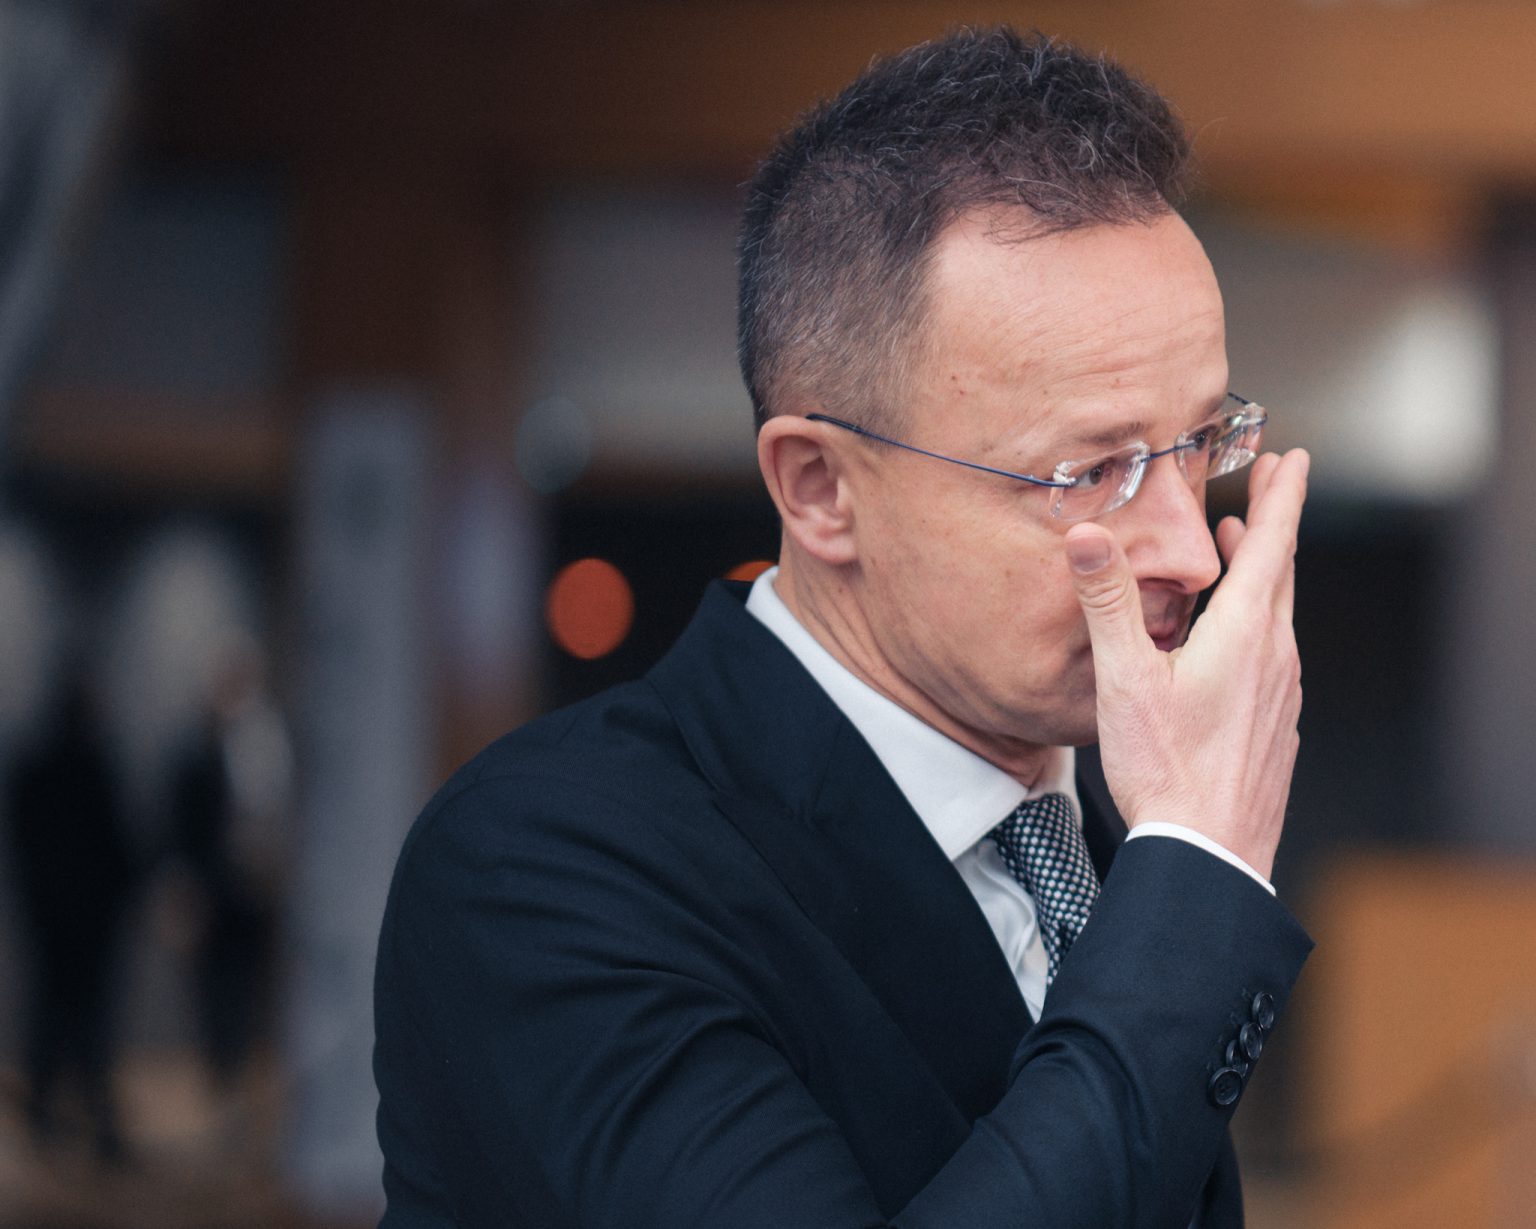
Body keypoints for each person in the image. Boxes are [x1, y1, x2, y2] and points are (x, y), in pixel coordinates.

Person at [373, 27, 1312, 1228]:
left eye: (1197, 446)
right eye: (1094, 470)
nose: (1188, 548)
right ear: (820, 487)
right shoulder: (549, 860)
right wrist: (1198, 882)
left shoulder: (1098, 833)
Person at [4, 667, 138, 1162]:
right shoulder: (90, 765)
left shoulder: (34, 766)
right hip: (85, 924)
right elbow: (115, 846)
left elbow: (23, 846)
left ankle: (52, 1113)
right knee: (87, 1022)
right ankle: (96, 1125)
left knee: (53, 1017)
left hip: (53, 920)